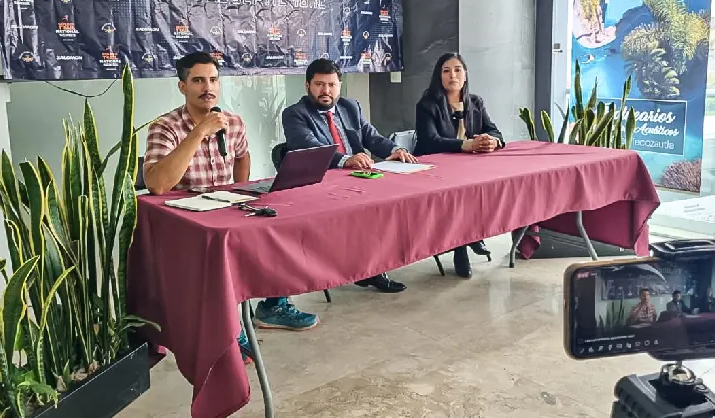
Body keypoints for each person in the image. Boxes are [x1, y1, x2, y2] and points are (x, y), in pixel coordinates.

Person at [143, 52, 318, 342]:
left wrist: (242, 189)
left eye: (213, 80)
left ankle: (273, 306)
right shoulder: (164, 128)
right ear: (182, 86)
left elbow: (242, 155)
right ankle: (225, 330)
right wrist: (199, 133)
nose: (207, 87)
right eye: (198, 80)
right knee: (220, 259)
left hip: (226, 208)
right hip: (185, 219)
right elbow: (158, 184)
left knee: (277, 231)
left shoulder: (233, 123)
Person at [282, 58, 416, 293]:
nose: (326, 91)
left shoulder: (349, 106)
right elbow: (310, 146)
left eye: (332, 85)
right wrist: (345, 160)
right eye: (319, 85)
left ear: (339, 85)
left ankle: (372, 265)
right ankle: (369, 268)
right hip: (323, 184)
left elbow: (371, 136)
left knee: (393, 204)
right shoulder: (295, 114)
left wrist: (395, 150)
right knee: (370, 211)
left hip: (359, 179)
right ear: (307, 86)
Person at [414, 52, 505, 278]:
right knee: (458, 197)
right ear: (439, 77)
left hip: (467, 168)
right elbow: (429, 141)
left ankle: (473, 235)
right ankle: (460, 248)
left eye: (457, 70)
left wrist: (494, 141)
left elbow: (494, 130)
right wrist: (467, 145)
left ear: (465, 75)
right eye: (446, 71)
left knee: (483, 190)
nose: (452, 75)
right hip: (434, 169)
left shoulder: (475, 102)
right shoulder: (427, 105)